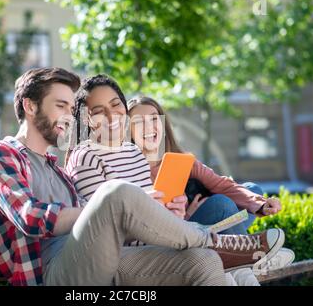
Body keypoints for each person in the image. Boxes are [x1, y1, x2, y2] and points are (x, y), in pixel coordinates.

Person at [64, 73, 286, 285]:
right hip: (127, 254)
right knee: (214, 234)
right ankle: (241, 254)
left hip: (161, 238)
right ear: (86, 118)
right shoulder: (87, 156)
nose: (111, 116)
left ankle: (239, 257)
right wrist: (172, 216)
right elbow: (104, 227)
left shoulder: (133, 154)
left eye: (115, 104)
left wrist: (172, 213)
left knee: (243, 201)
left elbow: (157, 213)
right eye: (99, 110)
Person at [127, 95, 295, 272]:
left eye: (154, 118)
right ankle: (254, 258)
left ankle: (239, 256)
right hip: (170, 240)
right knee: (221, 204)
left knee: (252, 189)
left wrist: (260, 203)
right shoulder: (128, 169)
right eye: (139, 122)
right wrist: (187, 217)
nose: (149, 127)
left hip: (201, 227)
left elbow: (222, 184)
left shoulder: (181, 160)